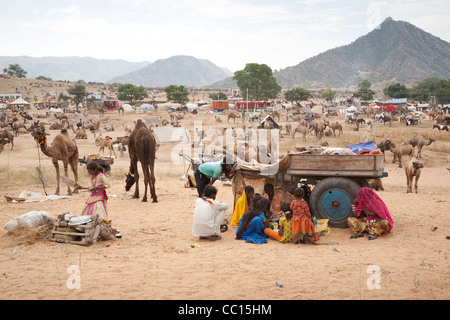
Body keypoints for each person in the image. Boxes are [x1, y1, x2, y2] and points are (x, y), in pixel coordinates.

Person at [78, 161, 121, 239]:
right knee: (86, 211)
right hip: (92, 197)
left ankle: (105, 230)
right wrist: (82, 187)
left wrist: (97, 187)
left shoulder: (101, 176)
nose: (89, 172)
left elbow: (108, 185)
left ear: (94, 170)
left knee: (99, 215)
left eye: (90, 171)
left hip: (99, 198)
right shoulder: (93, 176)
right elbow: (92, 187)